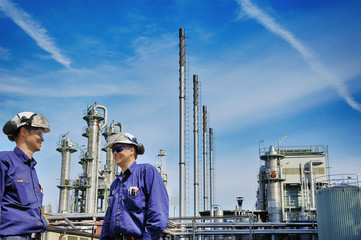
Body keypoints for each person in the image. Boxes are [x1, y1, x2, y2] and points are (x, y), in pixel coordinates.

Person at [100, 132, 169, 240]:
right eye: (113, 150)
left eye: (118, 149)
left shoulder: (146, 172)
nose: (114, 153)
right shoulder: (115, 184)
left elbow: (158, 214)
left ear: (132, 150)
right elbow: (108, 219)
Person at [0, 112, 50, 240]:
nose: (42, 138)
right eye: (39, 133)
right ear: (24, 132)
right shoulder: (4, 161)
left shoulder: (31, 168)